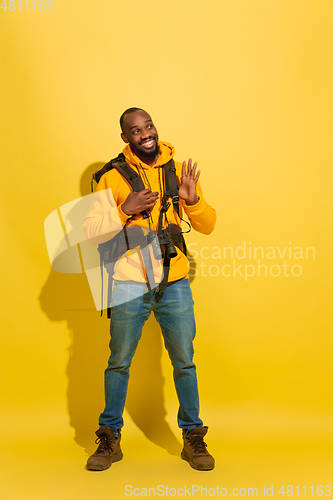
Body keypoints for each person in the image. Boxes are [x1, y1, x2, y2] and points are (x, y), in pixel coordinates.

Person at [83, 108, 216, 471]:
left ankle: (193, 436)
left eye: (148, 126)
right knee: (119, 362)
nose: (145, 134)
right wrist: (124, 210)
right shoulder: (109, 177)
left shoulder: (177, 171)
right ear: (125, 138)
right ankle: (109, 436)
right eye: (135, 130)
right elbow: (92, 232)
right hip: (128, 283)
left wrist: (193, 201)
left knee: (184, 362)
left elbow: (207, 226)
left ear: (155, 129)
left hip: (174, 283)